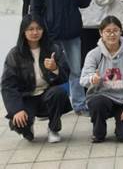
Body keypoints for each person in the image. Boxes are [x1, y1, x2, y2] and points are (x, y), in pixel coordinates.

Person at [29, 0, 91, 114]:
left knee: (76, 70)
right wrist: (38, 32)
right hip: (51, 35)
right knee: (50, 71)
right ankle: (48, 106)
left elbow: (86, 2)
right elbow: (35, 11)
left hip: (73, 33)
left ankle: (79, 104)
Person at [1, 15, 71, 143]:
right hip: (27, 97)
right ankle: (28, 127)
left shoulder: (53, 49)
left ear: (43, 30)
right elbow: (7, 85)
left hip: (47, 94)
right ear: (23, 31)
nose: (35, 32)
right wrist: (16, 110)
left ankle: (53, 129)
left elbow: (65, 76)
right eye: (30, 29)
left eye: (38, 28)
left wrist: (55, 68)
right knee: (19, 123)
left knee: (59, 92)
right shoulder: (15, 54)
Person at [80, 16, 123, 143]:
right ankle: (99, 132)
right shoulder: (94, 54)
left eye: (115, 30)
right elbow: (83, 79)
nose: (112, 34)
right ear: (101, 33)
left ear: (121, 32)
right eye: (108, 31)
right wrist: (92, 79)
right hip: (103, 98)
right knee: (97, 102)